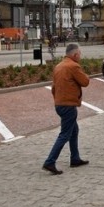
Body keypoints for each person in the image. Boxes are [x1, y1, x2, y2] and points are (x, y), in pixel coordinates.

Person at [42, 43, 91, 175]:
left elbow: (53, 88)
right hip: (68, 105)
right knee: (65, 134)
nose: (80, 56)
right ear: (75, 55)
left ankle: (75, 158)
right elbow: (85, 82)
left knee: (74, 130)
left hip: (59, 104)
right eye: (79, 54)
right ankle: (50, 161)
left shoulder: (59, 66)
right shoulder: (73, 66)